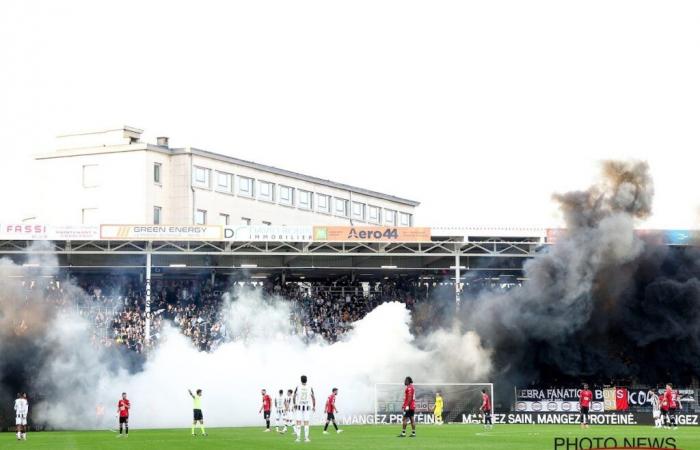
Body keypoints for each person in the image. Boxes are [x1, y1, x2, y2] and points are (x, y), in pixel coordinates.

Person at [293, 375, 315, 443]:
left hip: (299, 407)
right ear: (306, 380)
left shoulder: (298, 387)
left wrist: (294, 404)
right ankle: (306, 438)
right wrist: (314, 406)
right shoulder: (310, 387)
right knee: (306, 423)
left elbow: (294, 396)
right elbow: (313, 397)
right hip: (306, 407)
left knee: (298, 422)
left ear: (301, 380)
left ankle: (298, 438)